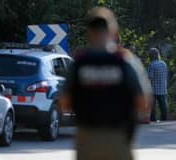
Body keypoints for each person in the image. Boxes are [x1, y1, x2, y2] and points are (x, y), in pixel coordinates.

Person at [59, 6, 151, 160]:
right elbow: (143, 102)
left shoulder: (79, 62)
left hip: (86, 138)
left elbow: (63, 103)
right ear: (113, 30)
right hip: (118, 137)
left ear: (89, 32)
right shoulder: (125, 61)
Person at [147, 47, 168, 122]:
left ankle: (153, 120)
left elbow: (150, 78)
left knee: (152, 107)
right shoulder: (163, 63)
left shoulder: (151, 65)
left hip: (153, 89)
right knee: (163, 106)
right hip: (163, 89)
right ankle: (164, 119)